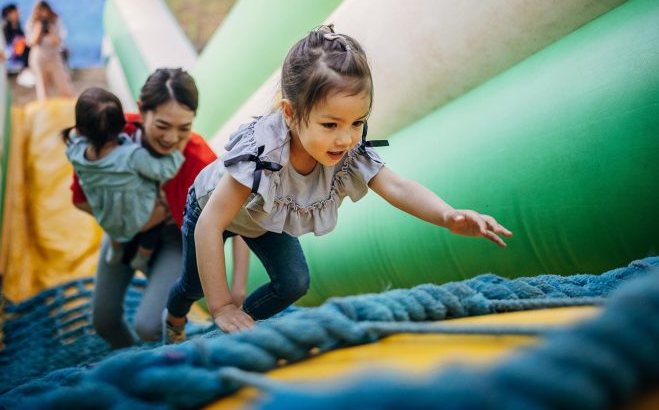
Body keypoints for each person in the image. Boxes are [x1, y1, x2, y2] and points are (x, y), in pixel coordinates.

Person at [163, 25, 513, 342]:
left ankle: (232, 330)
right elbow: (210, 225)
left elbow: (396, 186)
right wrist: (222, 305)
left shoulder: (347, 151)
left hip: (264, 216)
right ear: (290, 113)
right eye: (330, 125)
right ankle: (175, 317)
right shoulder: (264, 153)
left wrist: (448, 215)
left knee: (295, 282)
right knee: (194, 285)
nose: (345, 139)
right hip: (211, 207)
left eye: (357, 122)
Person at [71, 68, 248, 348]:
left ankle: (163, 361)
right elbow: (82, 195)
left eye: (184, 128)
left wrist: (237, 288)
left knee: (148, 325)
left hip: (174, 240)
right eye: (162, 126)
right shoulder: (113, 135)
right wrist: (132, 222)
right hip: (125, 230)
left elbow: (239, 222)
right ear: (142, 111)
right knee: (103, 321)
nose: (172, 138)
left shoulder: (198, 159)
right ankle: (134, 360)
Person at [63, 87, 185, 273]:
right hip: (141, 216)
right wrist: (177, 152)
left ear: (80, 130)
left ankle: (116, 249)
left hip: (107, 216)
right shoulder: (132, 156)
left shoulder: (75, 153)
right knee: (159, 215)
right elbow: (163, 171)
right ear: (122, 124)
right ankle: (142, 257)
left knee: (112, 225)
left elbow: (74, 137)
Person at [25, 0, 74, 101]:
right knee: (42, 86)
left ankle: (70, 103)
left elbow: (59, 41)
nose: (44, 15)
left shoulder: (56, 20)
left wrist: (51, 32)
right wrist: (38, 32)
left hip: (54, 54)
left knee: (63, 83)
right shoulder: (31, 23)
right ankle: (44, 106)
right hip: (39, 54)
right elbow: (30, 42)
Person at [0, 3, 29, 74]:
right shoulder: (4, 27)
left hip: (18, 53)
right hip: (9, 56)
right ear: (9, 14)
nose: (19, 14)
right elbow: (6, 45)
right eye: (16, 12)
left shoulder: (17, 25)